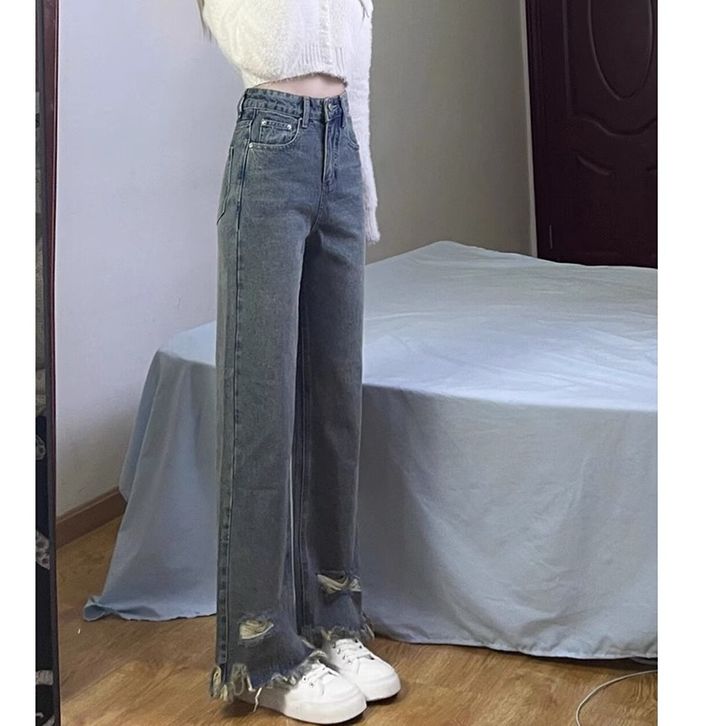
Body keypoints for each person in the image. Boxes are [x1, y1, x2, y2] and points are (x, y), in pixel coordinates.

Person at [197, 1, 400, 722]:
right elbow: (261, 40)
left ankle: (333, 619)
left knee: (336, 405)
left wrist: (361, 192)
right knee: (263, 410)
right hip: (271, 142)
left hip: (340, 150)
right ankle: (262, 653)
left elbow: (356, 73)